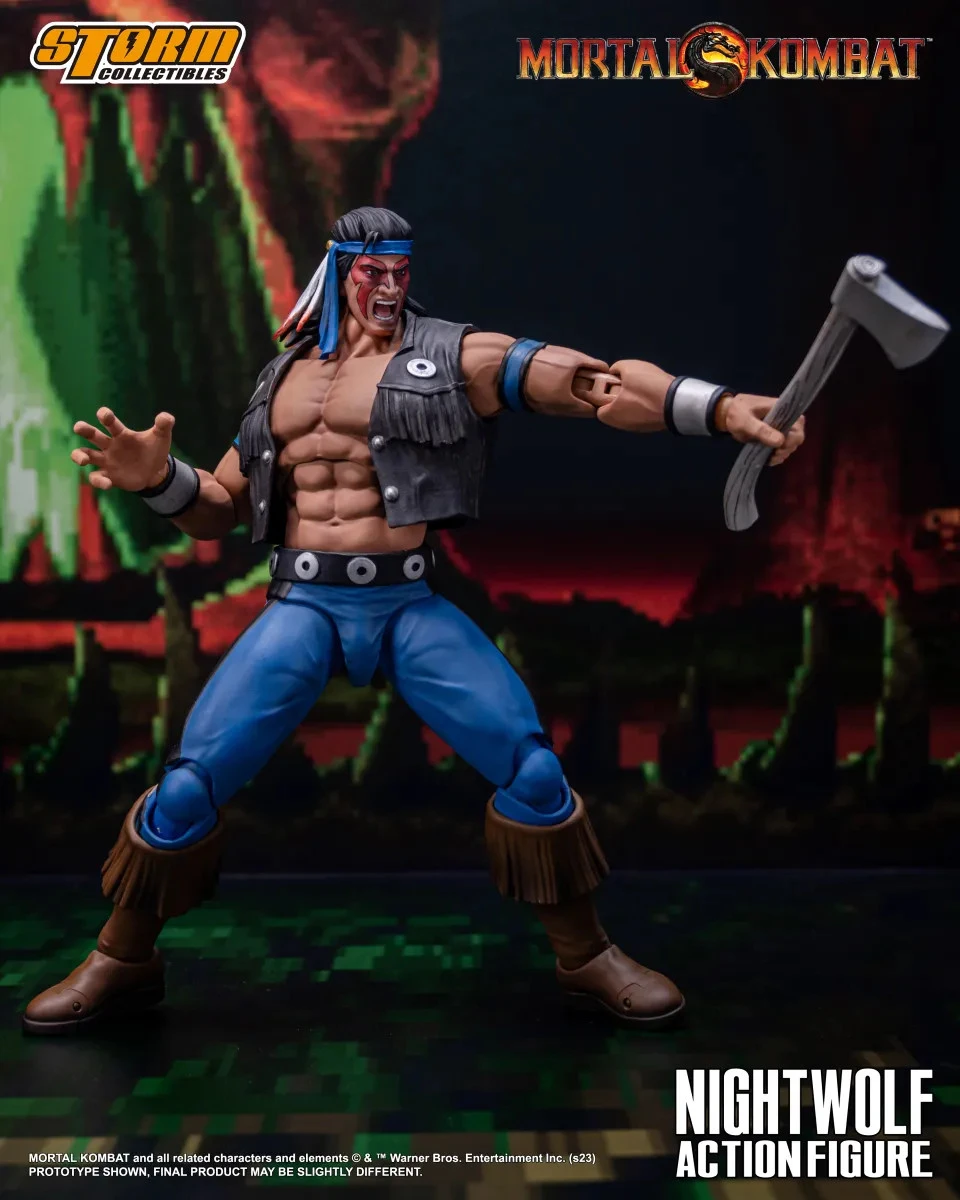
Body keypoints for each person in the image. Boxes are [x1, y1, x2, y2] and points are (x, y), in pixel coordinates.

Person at [23, 207, 804, 1035]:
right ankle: (122, 959)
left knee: (534, 773)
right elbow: (220, 506)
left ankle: (586, 958)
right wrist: (158, 480)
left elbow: (598, 387)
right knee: (186, 787)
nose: (391, 286)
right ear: (338, 271)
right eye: (373, 271)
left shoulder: (455, 355)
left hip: (404, 605)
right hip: (304, 605)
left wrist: (720, 409)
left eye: (401, 269)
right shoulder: (283, 378)